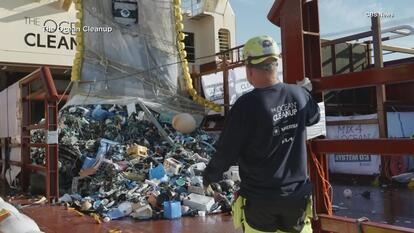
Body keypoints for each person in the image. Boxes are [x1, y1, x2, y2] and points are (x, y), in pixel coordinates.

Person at [203, 35, 320, 233]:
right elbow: (314, 118)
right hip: (296, 197)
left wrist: (210, 175)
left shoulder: (246, 105)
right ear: (275, 65)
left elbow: (227, 151)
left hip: (260, 200)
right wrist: (306, 93)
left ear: (249, 69)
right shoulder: (299, 95)